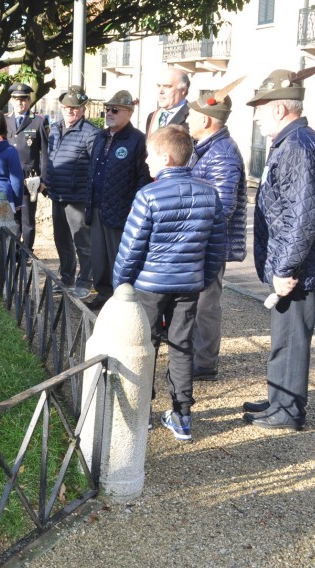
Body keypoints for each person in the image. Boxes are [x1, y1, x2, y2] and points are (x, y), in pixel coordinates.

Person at [114, 124, 226, 441]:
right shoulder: (209, 194)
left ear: (166, 158)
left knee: (143, 345)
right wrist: (200, 280)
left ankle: (141, 411)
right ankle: (182, 417)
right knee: (182, 347)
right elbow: (217, 247)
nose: (146, 163)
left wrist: (121, 287)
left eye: (150, 157)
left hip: (149, 287)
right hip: (189, 285)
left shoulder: (148, 195)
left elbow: (131, 247)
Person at [244, 66, 315, 431]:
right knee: (284, 336)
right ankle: (278, 398)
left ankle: (289, 410)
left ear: (280, 109)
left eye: (260, 107)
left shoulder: (298, 146)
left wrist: (285, 269)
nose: (256, 115)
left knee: (293, 339)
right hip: (290, 266)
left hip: (295, 270)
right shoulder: (291, 143)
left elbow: (303, 217)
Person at [186, 86, 248, 381]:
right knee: (198, 305)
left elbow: (222, 207)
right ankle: (196, 357)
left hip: (208, 245)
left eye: (192, 114)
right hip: (200, 243)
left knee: (206, 307)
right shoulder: (207, 148)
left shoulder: (222, 153)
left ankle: (204, 364)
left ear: (207, 120)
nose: (187, 119)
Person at [86, 90, 151, 306]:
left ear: (129, 113)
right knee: (99, 256)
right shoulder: (100, 137)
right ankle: (103, 294)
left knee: (118, 257)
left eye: (115, 110)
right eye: (107, 109)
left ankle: (121, 299)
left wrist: (135, 206)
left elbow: (143, 176)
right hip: (96, 206)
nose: (109, 113)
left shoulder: (137, 140)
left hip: (121, 209)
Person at [43, 86, 99, 298]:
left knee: (82, 243)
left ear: (83, 109)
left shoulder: (91, 133)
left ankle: (86, 281)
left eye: (74, 108)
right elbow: (50, 159)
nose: (70, 111)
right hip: (57, 194)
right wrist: (47, 183)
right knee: (62, 240)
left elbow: (95, 168)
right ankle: (66, 277)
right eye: (66, 107)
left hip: (77, 197)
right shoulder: (55, 129)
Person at [5, 82, 48, 249]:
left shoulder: (37, 122)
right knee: (13, 216)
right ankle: (14, 250)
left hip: (30, 178)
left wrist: (43, 179)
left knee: (28, 219)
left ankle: (27, 252)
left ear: (29, 101)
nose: (20, 103)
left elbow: (45, 153)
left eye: (23, 99)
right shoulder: (5, 120)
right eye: (16, 99)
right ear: (12, 100)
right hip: (10, 177)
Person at [145, 68, 190, 135]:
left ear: (183, 90)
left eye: (167, 86)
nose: (160, 91)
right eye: (159, 86)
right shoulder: (152, 117)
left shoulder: (193, 117)